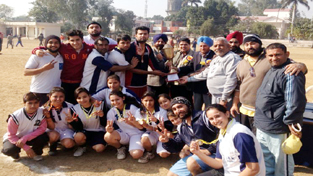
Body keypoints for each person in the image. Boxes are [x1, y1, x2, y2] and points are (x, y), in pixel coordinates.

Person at [230, 34, 307, 134]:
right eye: (247, 44)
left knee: (259, 145)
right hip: (244, 110)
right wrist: (235, 104)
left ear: (260, 44)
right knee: (246, 140)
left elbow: (294, 66)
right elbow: (239, 85)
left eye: (253, 43)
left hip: (264, 113)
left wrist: (301, 66)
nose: (250, 46)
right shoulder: (242, 62)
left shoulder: (271, 59)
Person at [254, 43, 306, 176]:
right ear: (266, 56)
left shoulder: (291, 72)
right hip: (263, 125)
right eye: (270, 55)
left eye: (278, 54)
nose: (274, 58)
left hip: (279, 128)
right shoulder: (272, 69)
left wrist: (292, 122)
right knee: (267, 165)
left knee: (281, 167)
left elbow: (295, 102)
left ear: (287, 54)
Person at [190, 104, 265, 176]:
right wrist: (197, 152)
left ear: (227, 114)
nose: (215, 121)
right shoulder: (223, 132)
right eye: (211, 119)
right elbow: (218, 163)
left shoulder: (239, 134)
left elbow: (253, 169)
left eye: (218, 116)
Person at [158, 96, 218, 176]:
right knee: (171, 175)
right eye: (174, 109)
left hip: (216, 153)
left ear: (188, 106)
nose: (178, 111)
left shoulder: (204, 117)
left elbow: (223, 134)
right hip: (197, 155)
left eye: (180, 106)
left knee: (191, 163)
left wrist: (209, 150)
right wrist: (167, 141)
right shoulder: (181, 127)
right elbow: (177, 147)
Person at [32, 29, 94, 104]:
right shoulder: (63, 47)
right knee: (64, 105)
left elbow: (107, 46)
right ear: (68, 40)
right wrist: (36, 50)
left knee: (78, 105)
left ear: (82, 40)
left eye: (78, 40)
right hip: (64, 82)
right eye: (72, 40)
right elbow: (49, 47)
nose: (75, 43)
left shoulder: (89, 48)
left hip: (80, 83)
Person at [180, 37, 241, 107]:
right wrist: (188, 79)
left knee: (228, 117)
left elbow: (231, 80)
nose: (218, 48)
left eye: (221, 45)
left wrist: (224, 99)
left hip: (227, 97)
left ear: (228, 46)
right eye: (215, 46)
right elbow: (205, 73)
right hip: (216, 96)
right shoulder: (217, 58)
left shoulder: (232, 58)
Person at [1, 92, 49, 161]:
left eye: (36, 103)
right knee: (9, 149)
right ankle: (15, 153)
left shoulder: (41, 112)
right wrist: (26, 147)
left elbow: (42, 129)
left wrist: (26, 138)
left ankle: (36, 152)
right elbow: (11, 135)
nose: (33, 105)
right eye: (30, 103)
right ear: (24, 103)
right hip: (16, 138)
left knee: (44, 137)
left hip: (31, 136)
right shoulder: (15, 116)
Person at [124, 26, 167, 98]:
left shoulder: (148, 48)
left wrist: (166, 74)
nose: (142, 36)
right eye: (140, 34)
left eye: (145, 34)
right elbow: (129, 68)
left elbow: (154, 65)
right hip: (131, 83)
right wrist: (151, 72)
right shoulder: (130, 48)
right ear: (135, 35)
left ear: (148, 35)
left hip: (143, 83)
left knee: (143, 105)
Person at [66, 87, 107, 157]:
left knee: (99, 149)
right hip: (85, 131)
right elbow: (79, 128)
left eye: (85, 97)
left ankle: (95, 143)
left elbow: (105, 124)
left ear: (89, 96)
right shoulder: (74, 109)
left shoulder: (99, 106)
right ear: (76, 99)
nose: (82, 100)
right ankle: (82, 146)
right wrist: (72, 122)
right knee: (78, 137)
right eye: (79, 98)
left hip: (98, 130)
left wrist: (102, 116)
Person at [24, 35, 63, 106]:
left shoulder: (61, 57)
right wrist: (43, 69)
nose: (53, 45)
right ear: (46, 44)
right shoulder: (38, 55)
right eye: (50, 42)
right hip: (39, 91)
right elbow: (26, 72)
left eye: (56, 42)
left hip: (55, 93)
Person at [104, 90, 144, 160]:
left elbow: (142, 128)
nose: (115, 102)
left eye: (117, 99)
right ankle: (120, 148)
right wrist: (108, 129)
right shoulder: (111, 111)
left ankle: (139, 146)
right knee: (107, 136)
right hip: (124, 134)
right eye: (112, 100)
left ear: (123, 98)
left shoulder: (132, 108)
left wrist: (132, 122)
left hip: (136, 134)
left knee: (136, 155)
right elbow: (109, 126)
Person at [135, 91, 172, 163]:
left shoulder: (162, 111)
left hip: (162, 133)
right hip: (151, 133)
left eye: (151, 100)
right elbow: (140, 127)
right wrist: (137, 122)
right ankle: (149, 152)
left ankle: (161, 147)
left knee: (164, 154)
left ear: (154, 101)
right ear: (142, 100)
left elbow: (167, 128)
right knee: (144, 139)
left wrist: (155, 122)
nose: (148, 103)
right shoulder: (139, 111)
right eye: (146, 100)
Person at [44, 87, 75, 156]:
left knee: (69, 144)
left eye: (61, 96)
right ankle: (52, 146)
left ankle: (63, 143)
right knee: (53, 135)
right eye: (55, 96)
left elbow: (74, 124)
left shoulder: (70, 107)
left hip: (66, 129)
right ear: (50, 96)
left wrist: (71, 121)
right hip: (51, 130)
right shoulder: (44, 108)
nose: (58, 99)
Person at [189, 36, 215, 111]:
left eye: (205, 46)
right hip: (196, 87)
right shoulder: (195, 54)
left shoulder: (214, 56)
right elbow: (191, 67)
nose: (202, 48)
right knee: (196, 108)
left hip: (207, 88)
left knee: (209, 109)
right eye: (201, 46)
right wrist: (179, 69)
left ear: (209, 46)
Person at [170, 37, 196, 103]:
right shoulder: (176, 53)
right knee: (175, 102)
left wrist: (178, 69)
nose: (183, 46)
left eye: (185, 44)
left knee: (187, 102)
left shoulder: (194, 55)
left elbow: (191, 67)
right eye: (181, 44)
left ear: (189, 45)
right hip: (174, 83)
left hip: (186, 83)